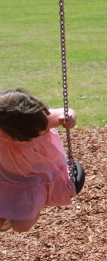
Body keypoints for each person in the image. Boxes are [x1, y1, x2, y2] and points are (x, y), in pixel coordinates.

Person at [0, 88, 77, 233]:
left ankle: (35, 207)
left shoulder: (41, 122)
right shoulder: (4, 127)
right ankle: (11, 212)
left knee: (21, 227)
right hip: (5, 176)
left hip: (36, 179)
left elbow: (66, 112)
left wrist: (69, 118)